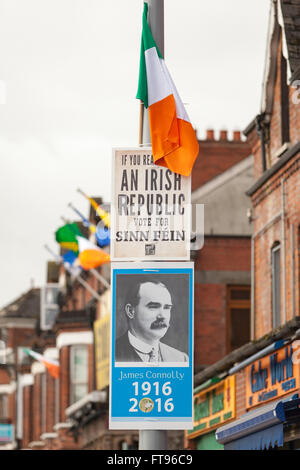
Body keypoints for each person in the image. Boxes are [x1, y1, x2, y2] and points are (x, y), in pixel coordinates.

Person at [115, 278, 188, 363]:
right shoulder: (112, 355)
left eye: (167, 308)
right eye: (154, 307)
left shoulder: (181, 359)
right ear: (130, 311)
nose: (163, 316)